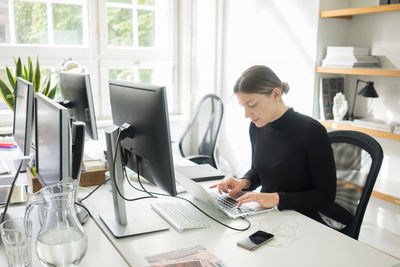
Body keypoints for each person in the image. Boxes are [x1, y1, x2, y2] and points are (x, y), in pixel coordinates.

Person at [211, 65, 336, 223]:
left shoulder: (311, 131)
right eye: (243, 107)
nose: (247, 115)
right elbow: (259, 171)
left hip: (303, 220)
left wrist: (277, 199)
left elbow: (325, 197)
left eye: (252, 105)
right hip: (269, 215)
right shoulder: (257, 127)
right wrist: (243, 182)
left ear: (276, 94)